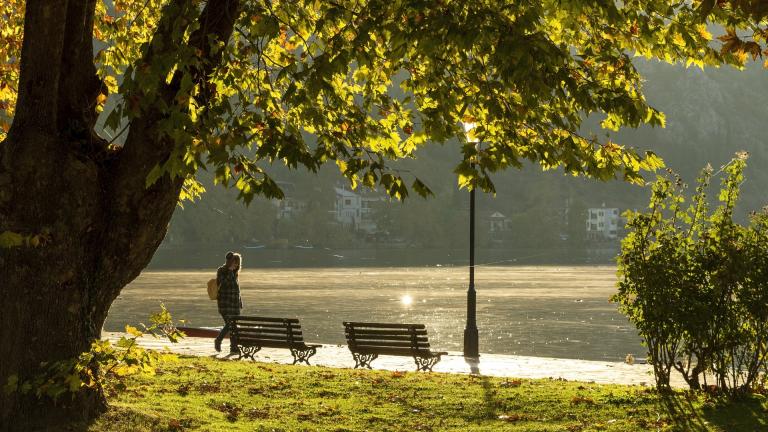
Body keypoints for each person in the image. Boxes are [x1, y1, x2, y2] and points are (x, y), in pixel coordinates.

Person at [214, 251, 242, 353]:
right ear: (230, 262)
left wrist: (240, 302)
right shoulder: (222, 270)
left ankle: (233, 347)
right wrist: (230, 271)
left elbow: (236, 289)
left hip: (234, 305)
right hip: (225, 304)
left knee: (233, 327)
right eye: (234, 262)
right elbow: (223, 284)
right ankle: (218, 340)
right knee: (230, 325)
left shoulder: (235, 273)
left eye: (238, 263)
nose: (236, 265)